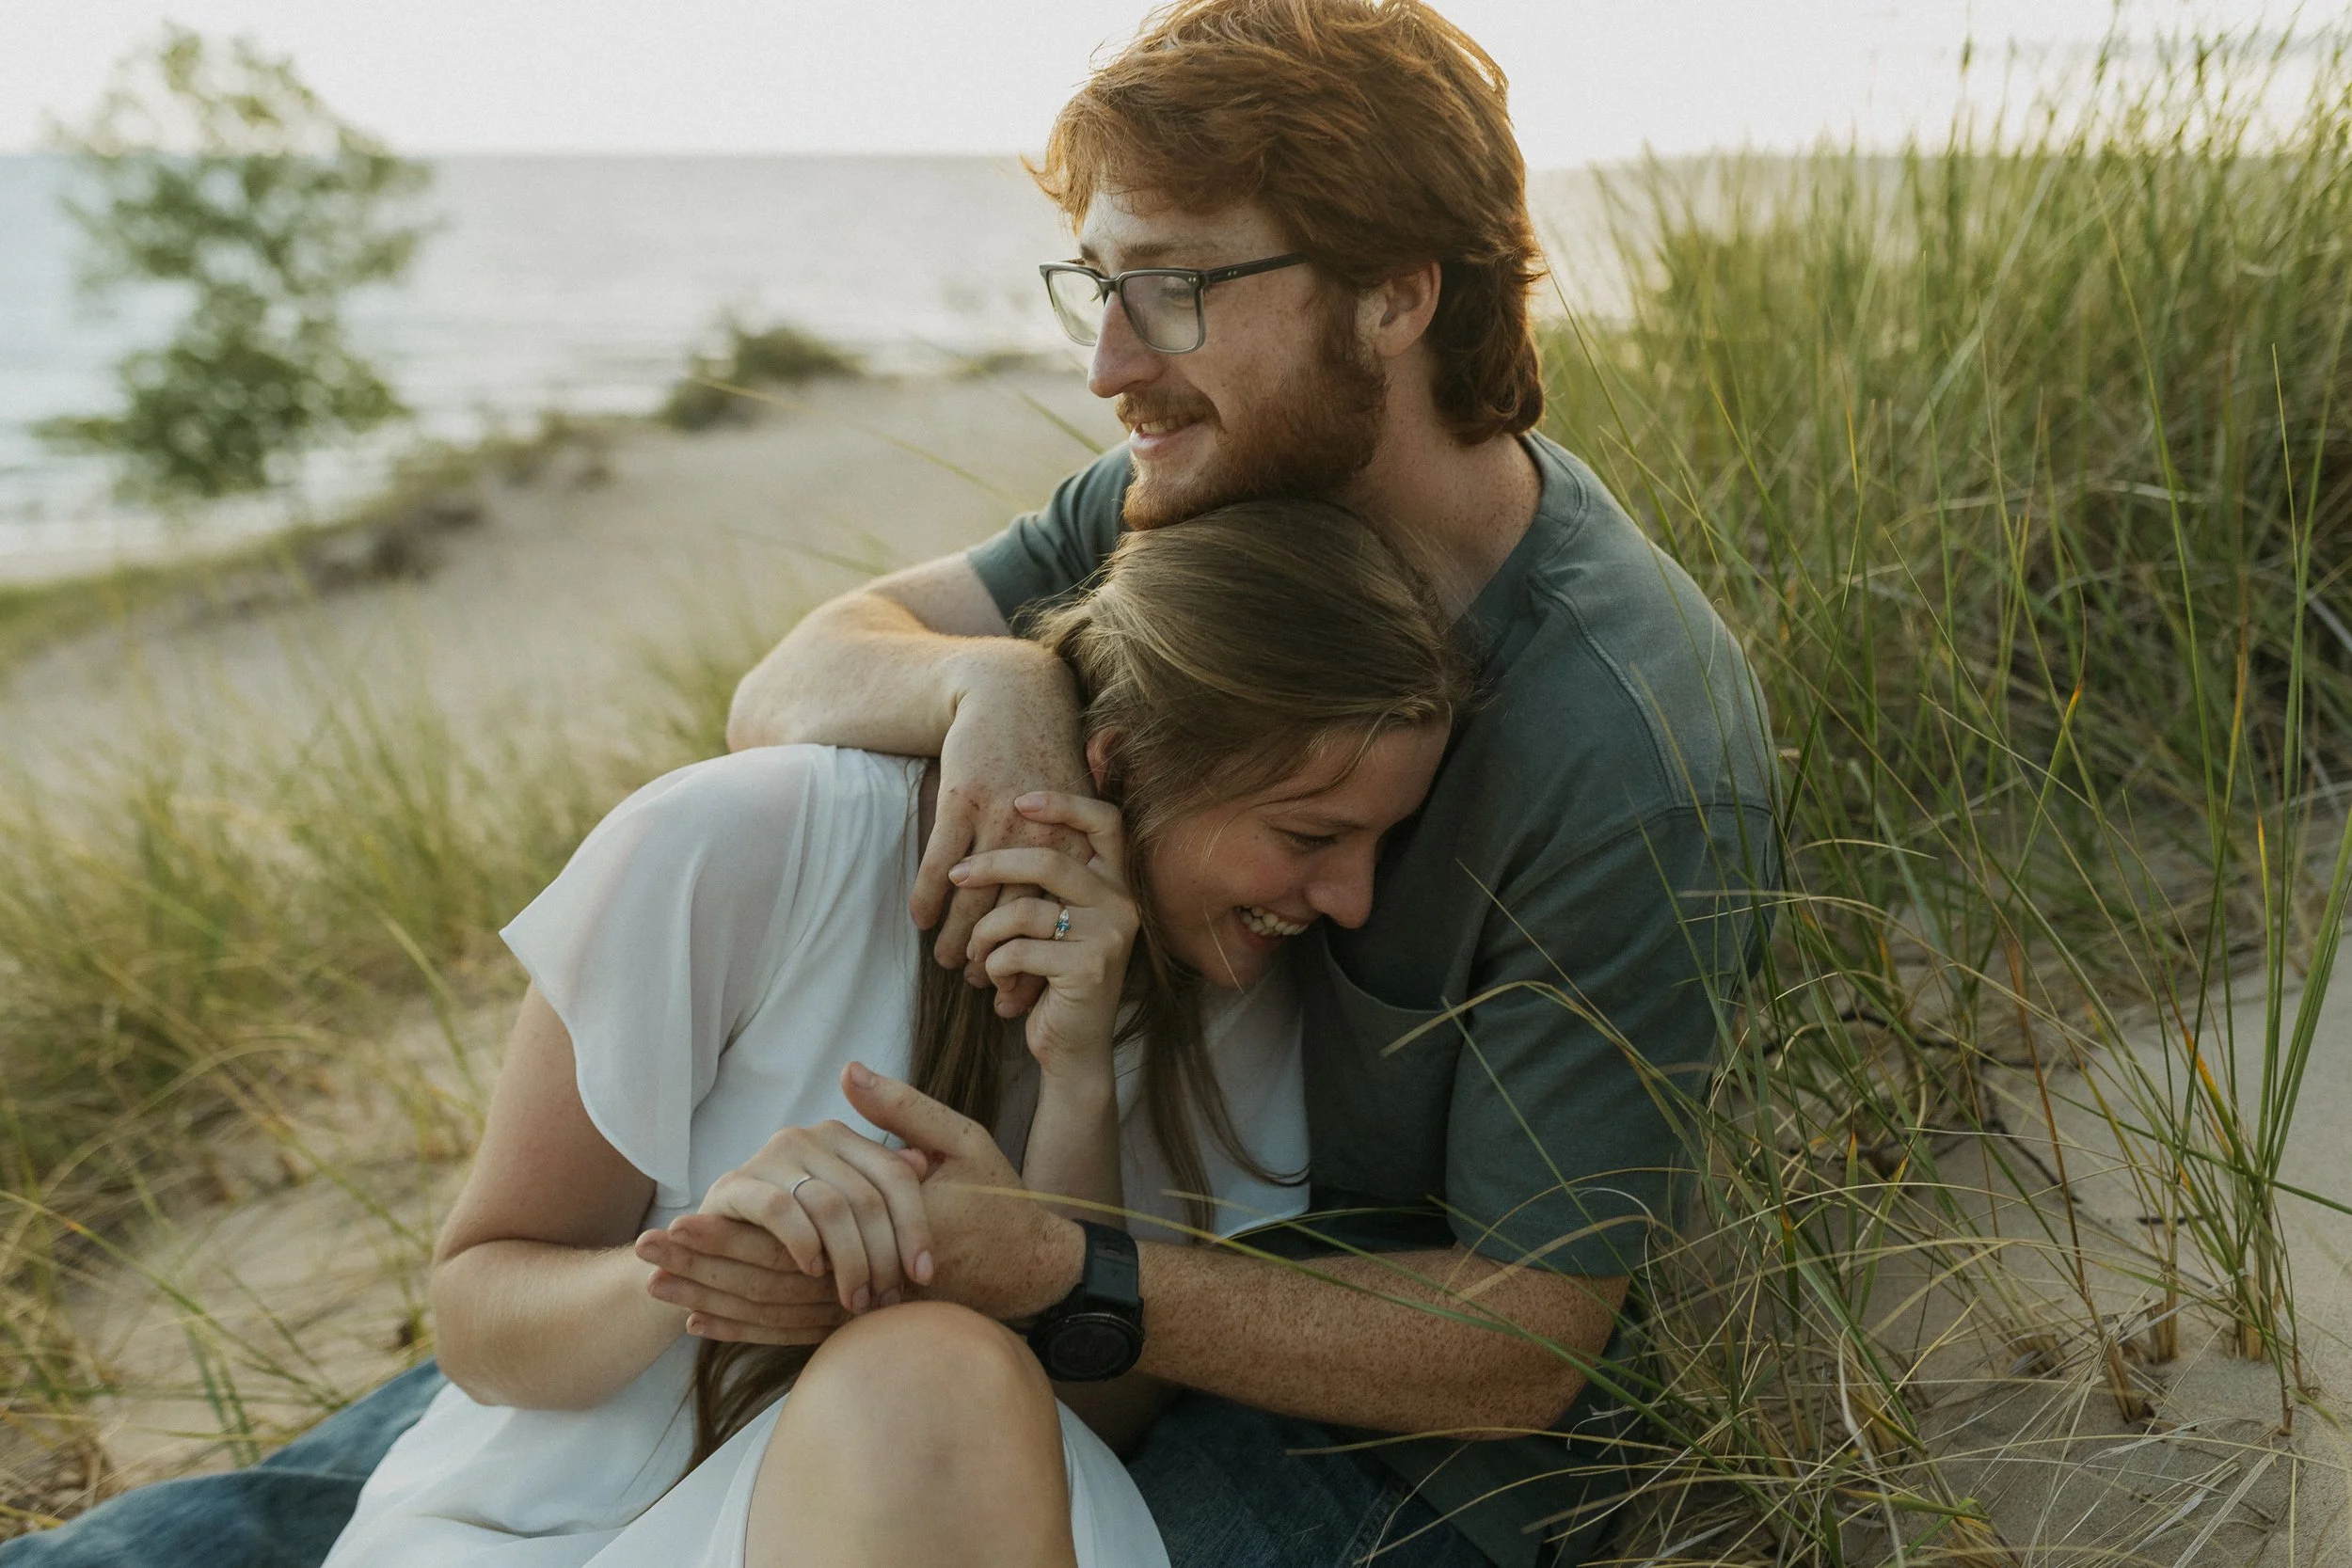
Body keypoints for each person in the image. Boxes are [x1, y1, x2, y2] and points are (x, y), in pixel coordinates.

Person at [0, 3, 1775, 1566]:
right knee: (399, 1474)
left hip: (1342, 1429)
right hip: (1026, 1275)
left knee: (850, 1439)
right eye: (1098, 283)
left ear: (1398, 292)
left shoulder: (1623, 742)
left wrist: (1047, 1266)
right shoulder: (1209, 515)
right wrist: (989, 684)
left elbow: (1527, 1344)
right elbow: (796, 670)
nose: (1108, 364)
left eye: (1177, 286)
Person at [318, 502, 1463, 1568]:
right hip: (553, 1525)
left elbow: (1084, 1421)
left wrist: (1076, 1095)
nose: (1351, 897)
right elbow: (476, 1314)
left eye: (1379, 843)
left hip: (956, 1517)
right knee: (930, 1371)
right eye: (1311, 832)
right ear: (1114, 769)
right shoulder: (734, 846)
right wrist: (697, 1267)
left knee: (937, 1375)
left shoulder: (1243, 982)